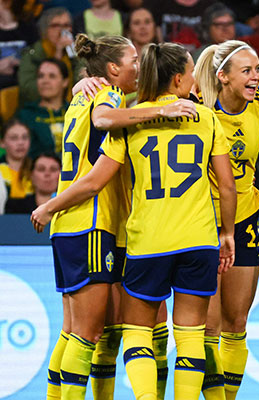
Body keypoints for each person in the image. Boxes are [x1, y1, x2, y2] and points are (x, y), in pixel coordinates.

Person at [31, 41, 236, 400]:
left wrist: (51, 206)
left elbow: (97, 164)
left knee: (103, 331)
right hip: (117, 225)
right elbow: (227, 185)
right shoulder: (125, 104)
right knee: (101, 333)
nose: (139, 67)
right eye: (132, 60)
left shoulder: (101, 104)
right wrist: (227, 231)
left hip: (128, 235)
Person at [194, 39, 259, 399]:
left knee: (237, 323)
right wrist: (83, 83)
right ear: (223, 77)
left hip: (244, 219)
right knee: (206, 327)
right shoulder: (196, 105)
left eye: (258, 69)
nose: (256, 77)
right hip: (201, 222)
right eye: (247, 71)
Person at [17, 7, 82, 105]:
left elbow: (81, 78)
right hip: (37, 108)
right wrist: (58, 53)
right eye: (56, 25)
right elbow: (28, 89)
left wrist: (76, 56)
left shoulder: (75, 54)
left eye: (66, 25)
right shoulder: (32, 54)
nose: (62, 30)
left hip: (70, 107)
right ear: (44, 29)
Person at [16, 58, 70, 159]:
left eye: (52, 76)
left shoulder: (74, 111)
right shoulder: (26, 115)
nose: (45, 81)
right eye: (41, 76)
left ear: (65, 82)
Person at [0, 118, 32, 200]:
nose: (20, 143)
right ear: (2, 143)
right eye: (14, 138)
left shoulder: (37, 168)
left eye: (25, 137)